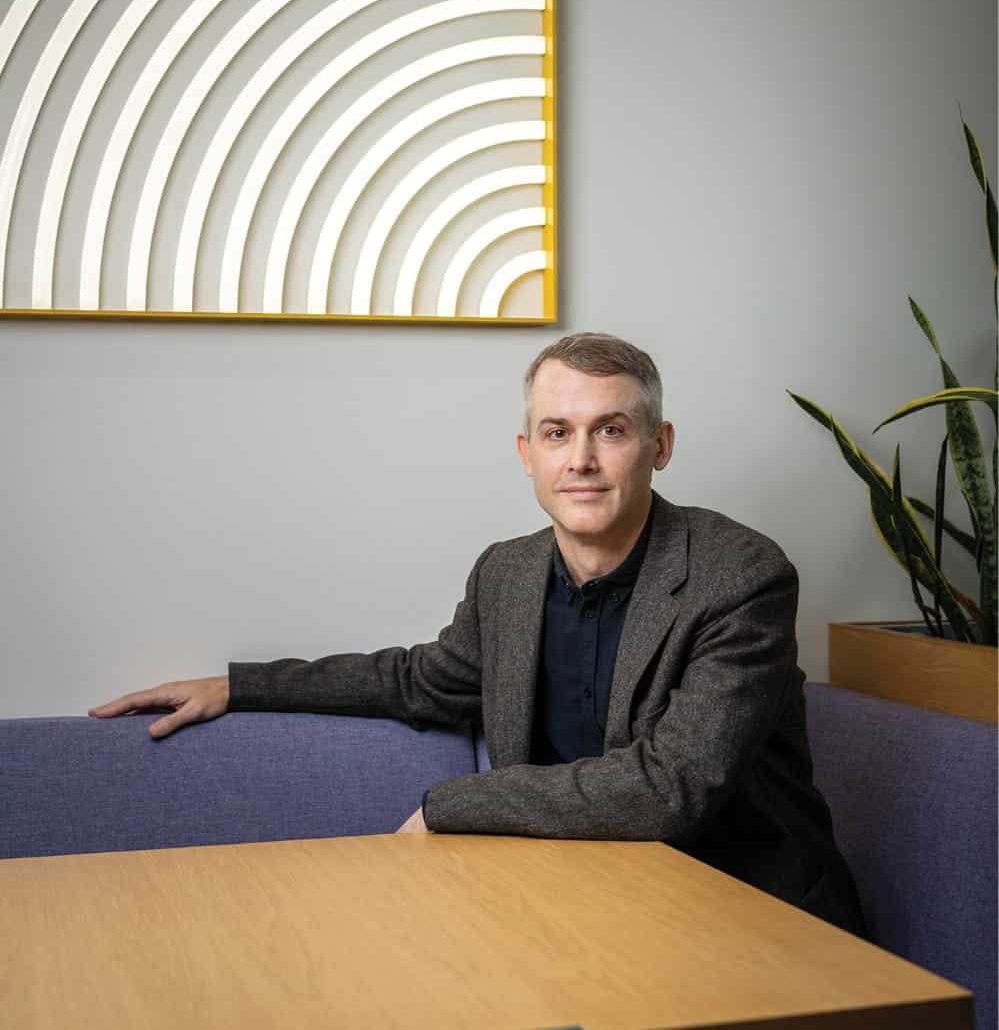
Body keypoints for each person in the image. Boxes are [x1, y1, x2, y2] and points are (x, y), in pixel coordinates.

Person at [90, 331, 866, 935]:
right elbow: (417, 680)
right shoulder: (507, 574)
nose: (583, 460)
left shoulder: (740, 576)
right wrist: (240, 685)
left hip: (747, 912)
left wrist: (453, 802)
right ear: (527, 455)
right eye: (557, 433)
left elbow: (667, 788)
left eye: (612, 430)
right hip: (574, 906)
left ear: (659, 446)